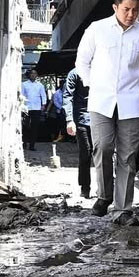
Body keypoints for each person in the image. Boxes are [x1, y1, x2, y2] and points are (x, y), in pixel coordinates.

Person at [75, 0, 139, 225]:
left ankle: (122, 209)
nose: (131, 14)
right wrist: (92, 84)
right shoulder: (97, 29)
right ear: (115, 8)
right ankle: (104, 195)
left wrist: (133, 88)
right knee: (102, 147)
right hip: (101, 102)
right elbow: (82, 61)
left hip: (131, 104)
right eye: (126, 9)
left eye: (135, 10)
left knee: (128, 156)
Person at [62, 68, 91, 199]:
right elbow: (67, 96)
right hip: (82, 119)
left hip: (102, 117)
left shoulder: (103, 69)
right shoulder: (74, 73)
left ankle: (106, 189)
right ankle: (85, 188)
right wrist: (69, 120)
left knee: (105, 153)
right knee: (85, 153)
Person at [21, 69, 47, 151]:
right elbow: (22, 95)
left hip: (36, 108)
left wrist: (43, 105)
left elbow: (43, 95)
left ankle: (32, 145)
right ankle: (24, 143)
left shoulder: (40, 85)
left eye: (35, 73)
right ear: (29, 75)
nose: (33, 75)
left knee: (34, 127)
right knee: (25, 126)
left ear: (36, 75)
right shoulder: (24, 84)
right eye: (31, 73)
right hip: (26, 108)